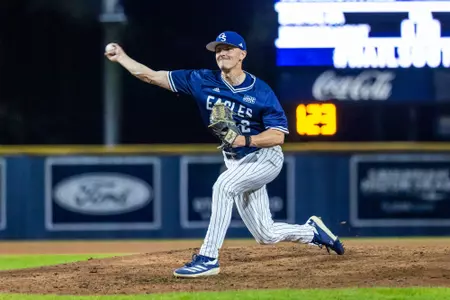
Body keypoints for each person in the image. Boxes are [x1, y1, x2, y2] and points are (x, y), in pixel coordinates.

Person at [105, 31, 345, 278]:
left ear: (242, 54)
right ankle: (312, 232)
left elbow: (278, 135)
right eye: (219, 50)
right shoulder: (200, 80)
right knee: (266, 234)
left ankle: (208, 257)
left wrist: (245, 139)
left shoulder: (260, 91)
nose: (222, 53)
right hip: (236, 162)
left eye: (229, 48)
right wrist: (122, 57)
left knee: (223, 186)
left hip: (265, 157)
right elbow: (151, 76)